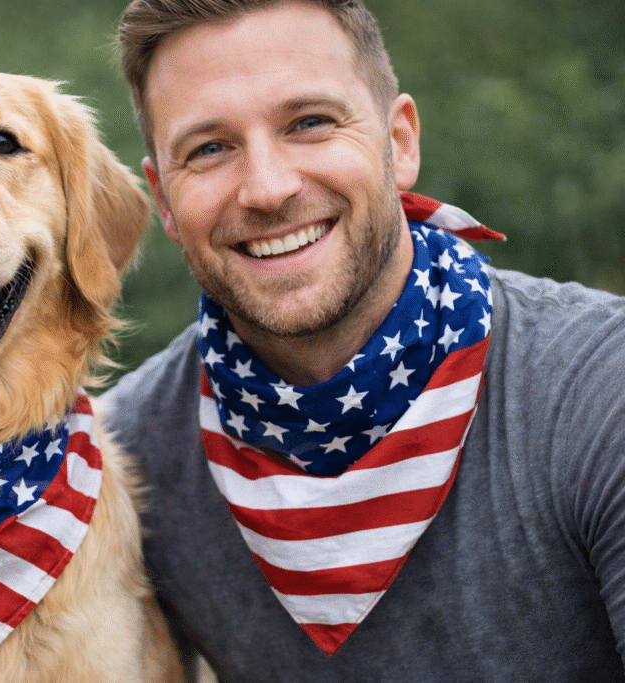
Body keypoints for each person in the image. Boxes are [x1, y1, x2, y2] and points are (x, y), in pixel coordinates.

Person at [103, 0, 625, 680]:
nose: (267, 187)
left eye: (310, 123)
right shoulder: (127, 458)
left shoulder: (599, 393)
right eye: (210, 148)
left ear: (400, 142)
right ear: (165, 202)